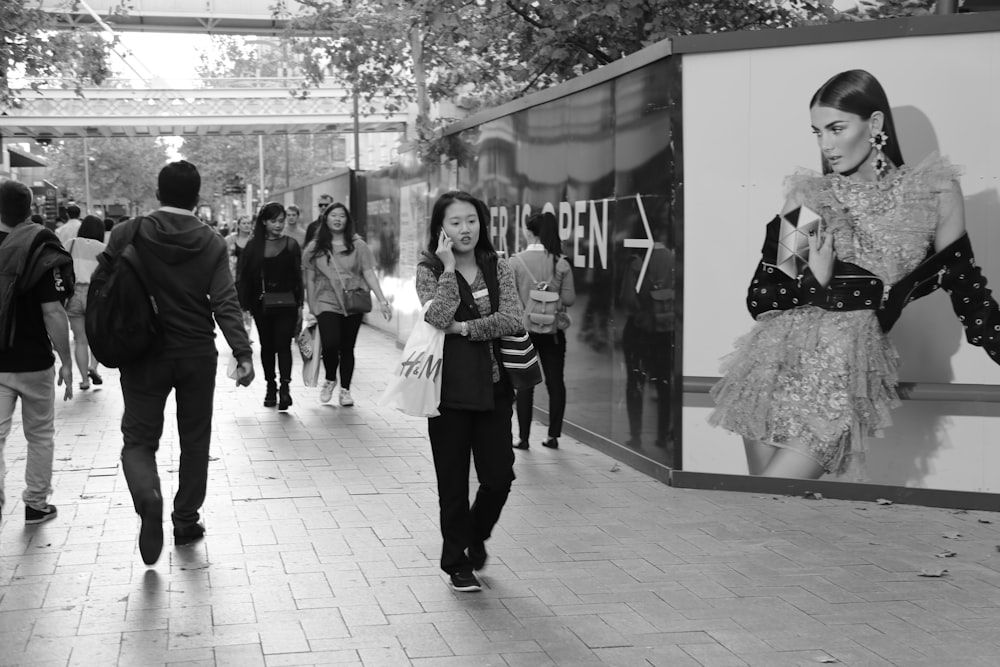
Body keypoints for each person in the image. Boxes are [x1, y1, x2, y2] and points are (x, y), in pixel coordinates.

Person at [710, 69, 1000, 481]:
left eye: (836, 128)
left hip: (842, 370)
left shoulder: (933, 192)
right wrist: (816, 280)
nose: (826, 144)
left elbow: (968, 290)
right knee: (767, 514)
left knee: (770, 501)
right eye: (817, 132)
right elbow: (765, 295)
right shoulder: (810, 197)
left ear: (875, 124)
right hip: (773, 364)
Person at [105, 160, 254, 565]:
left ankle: (147, 496)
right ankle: (186, 519)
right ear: (198, 197)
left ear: (157, 193)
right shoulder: (210, 242)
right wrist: (242, 352)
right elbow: (225, 301)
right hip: (194, 354)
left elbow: (104, 288)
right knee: (194, 439)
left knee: (138, 440)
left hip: (142, 352)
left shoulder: (127, 232)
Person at [416, 190, 523, 592]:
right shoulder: (428, 268)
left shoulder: (497, 266)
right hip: (447, 391)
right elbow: (437, 316)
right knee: (453, 482)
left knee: (499, 477)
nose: (465, 229)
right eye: (456, 222)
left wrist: (465, 330)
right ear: (441, 228)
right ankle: (455, 561)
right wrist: (447, 270)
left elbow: (512, 318)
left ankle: (475, 535)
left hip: (494, 389)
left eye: (472, 220)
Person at [0, 180, 74, 525]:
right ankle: (35, 503)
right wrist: (67, 362)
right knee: (40, 435)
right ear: (29, 208)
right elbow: (53, 312)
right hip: (33, 361)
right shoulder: (41, 247)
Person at [303, 202, 392, 407]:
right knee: (331, 343)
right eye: (333, 215)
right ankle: (330, 378)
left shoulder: (358, 245)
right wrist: (312, 306)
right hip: (326, 300)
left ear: (347, 220)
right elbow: (309, 279)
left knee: (347, 347)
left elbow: (369, 273)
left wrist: (382, 300)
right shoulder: (314, 247)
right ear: (325, 219)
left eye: (341, 216)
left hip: (353, 300)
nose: (337, 219)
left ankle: (345, 390)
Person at [509, 211, 575, 450]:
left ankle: (523, 438)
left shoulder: (515, 261)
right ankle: (553, 436)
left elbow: (511, 301)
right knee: (556, 383)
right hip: (554, 333)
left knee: (525, 384)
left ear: (529, 232)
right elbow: (570, 297)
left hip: (524, 332)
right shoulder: (561, 262)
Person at [238, 202, 303, 410]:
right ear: (264, 222)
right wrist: (244, 305)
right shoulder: (253, 246)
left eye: (281, 221)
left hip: (287, 303)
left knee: (283, 345)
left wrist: (301, 305)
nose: (278, 225)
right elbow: (244, 277)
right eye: (274, 221)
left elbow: (298, 277)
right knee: (267, 346)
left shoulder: (291, 245)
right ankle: (270, 386)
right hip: (261, 305)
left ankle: (285, 388)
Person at [64, 215, 106, 390]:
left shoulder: (70, 244)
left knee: (80, 339)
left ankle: (84, 380)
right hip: (94, 294)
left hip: (73, 293)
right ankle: (93, 366)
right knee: (96, 336)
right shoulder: (103, 248)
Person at [227, 215, 253, 331]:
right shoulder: (230, 240)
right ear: (238, 225)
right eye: (244, 223)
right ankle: (239, 330)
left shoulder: (254, 240)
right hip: (235, 277)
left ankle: (247, 331)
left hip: (250, 278)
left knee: (248, 306)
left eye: (248, 223)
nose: (247, 225)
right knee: (236, 306)